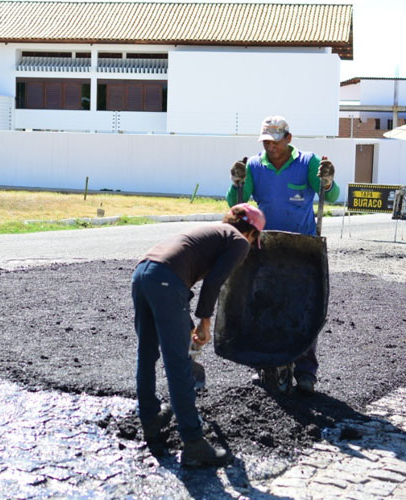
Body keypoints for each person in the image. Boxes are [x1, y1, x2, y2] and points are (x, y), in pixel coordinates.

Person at [132, 203, 265, 468]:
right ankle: (193, 444)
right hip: (167, 280)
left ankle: (150, 420)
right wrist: (205, 321)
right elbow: (214, 281)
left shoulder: (213, 230)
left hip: (142, 274)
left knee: (147, 354)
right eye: (255, 239)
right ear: (252, 232)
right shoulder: (239, 241)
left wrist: (191, 320)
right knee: (178, 362)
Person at [226, 115, 339, 393]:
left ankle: (305, 372)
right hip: (265, 248)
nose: (270, 147)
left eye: (275, 141)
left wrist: (326, 181)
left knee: (305, 309)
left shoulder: (308, 163)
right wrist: (236, 183)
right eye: (266, 142)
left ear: (288, 139)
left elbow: (333, 196)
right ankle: (263, 365)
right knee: (262, 307)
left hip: (303, 250)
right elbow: (236, 205)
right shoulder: (254, 165)